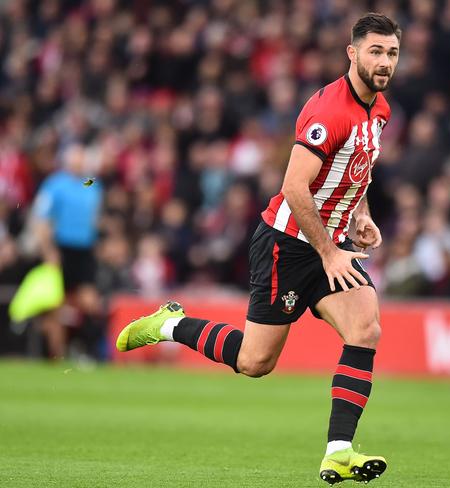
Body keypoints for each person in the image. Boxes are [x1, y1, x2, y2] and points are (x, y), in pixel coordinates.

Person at [116, 12, 401, 484]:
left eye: (391, 52)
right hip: (287, 245)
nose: (384, 61)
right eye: (375, 51)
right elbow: (294, 187)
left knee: (365, 328)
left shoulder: (381, 109)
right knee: (254, 362)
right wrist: (330, 251)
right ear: (352, 54)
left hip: (329, 244)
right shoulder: (329, 110)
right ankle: (170, 323)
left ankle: (339, 451)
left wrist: (360, 213)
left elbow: (354, 167)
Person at [31, 143, 104, 359]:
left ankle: (86, 350)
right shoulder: (54, 185)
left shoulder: (91, 184)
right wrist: (48, 251)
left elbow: (95, 217)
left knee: (90, 302)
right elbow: (41, 219)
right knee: (56, 306)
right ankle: (57, 356)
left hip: (85, 250)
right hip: (61, 249)